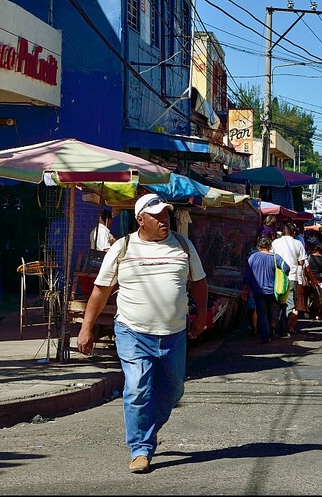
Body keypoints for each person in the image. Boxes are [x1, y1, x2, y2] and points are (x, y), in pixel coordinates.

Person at [77, 193, 208, 473]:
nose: (165, 220)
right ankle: (140, 448)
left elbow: (199, 283)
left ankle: (146, 429)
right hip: (132, 331)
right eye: (157, 216)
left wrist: (201, 317)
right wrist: (86, 327)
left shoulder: (183, 246)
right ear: (140, 219)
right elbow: (101, 290)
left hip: (173, 333)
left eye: (166, 215)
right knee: (137, 387)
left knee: (174, 389)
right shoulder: (123, 248)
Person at [241, 236, 289, 344]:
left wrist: (244, 289)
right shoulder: (275, 257)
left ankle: (265, 336)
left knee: (262, 312)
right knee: (270, 311)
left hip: (257, 291)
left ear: (259, 246)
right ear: (269, 246)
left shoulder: (252, 257)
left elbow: (247, 276)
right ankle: (270, 331)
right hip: (272, 291)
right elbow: (286, 268)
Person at [272, 222, 308, 338]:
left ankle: (273, 326)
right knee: (289, 304)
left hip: (277, 277)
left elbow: (271, 257)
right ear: (294, 232)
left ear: (283, 232)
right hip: (291, 277)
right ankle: (283, 330)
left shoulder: (275, 243)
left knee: (276, 303)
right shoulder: (298, 243)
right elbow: (302, 262)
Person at [307, 242, 322, 318]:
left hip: (310, 279)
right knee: (320, 297)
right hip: (320, 280)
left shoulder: (309, 257)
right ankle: (317, 313)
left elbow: (306, 268)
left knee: (309, 295)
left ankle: (308, 311)